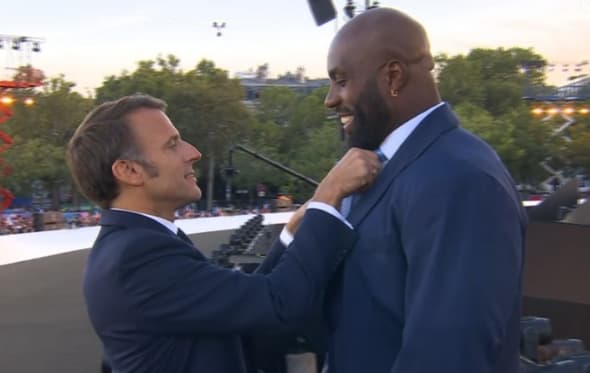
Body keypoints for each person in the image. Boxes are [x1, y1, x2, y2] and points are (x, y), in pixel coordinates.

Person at [276, 8, 528, 373]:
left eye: (341, 80)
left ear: (393, 76)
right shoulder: (391, 167)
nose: (330, 99)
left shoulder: (459, 178)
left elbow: (447, 358)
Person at [66, 94, 382, 373]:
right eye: (172, 144)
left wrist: (290, 235)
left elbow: (242, 307)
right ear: (129, 171)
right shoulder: (138, 257)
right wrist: (329, 195)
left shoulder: (134, 245)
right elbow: (279, 305)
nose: (193, 152)